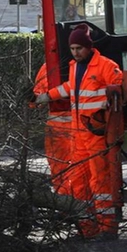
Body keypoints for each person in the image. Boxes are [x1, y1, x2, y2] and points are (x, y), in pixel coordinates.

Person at [35, 24, 126, 239]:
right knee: (77, 184)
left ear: (88, 46)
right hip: (79, 136)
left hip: (95, 135)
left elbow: (119, 88)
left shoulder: (105, 66)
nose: (75, 53)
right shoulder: (75, 67)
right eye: (73, 48)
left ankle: (107, 229)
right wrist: (43, 97)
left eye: (79, 48)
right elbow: (69, 88)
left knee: (100, 183)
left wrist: (106, 103)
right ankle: (87, 230)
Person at [31, 62, 79, 198]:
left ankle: (67, 204)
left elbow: (35, 100)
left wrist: (33, 97)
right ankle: (81, 206)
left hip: (59, 129)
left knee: (61, 171)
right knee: (80, 170)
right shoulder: (93, 66)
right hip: (81, 128)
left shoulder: (50, 66)